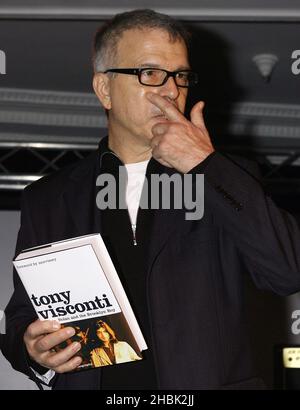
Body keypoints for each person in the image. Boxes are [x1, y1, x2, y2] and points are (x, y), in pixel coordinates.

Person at [2, 9, 300, 390]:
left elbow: (287, 270)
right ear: (104, 89)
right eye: (150, 73)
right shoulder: (48, 198)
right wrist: (32, 348)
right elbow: (21, 319)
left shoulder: (225, 177)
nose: (172, 90)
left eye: (181, 76)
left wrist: (203, 164)